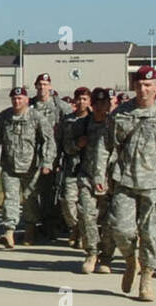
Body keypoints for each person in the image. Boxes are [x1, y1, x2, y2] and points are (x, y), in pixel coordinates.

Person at [97, 66, 156, 301]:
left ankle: (146, 278)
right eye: (139, 85)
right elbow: (105, 146)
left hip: (155, 186)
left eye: (148, 85)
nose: (143, 90)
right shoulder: (121, 114)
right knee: (120, 229)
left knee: (149, 234)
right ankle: (130, 261)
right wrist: (99, 175)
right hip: (125, 181)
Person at [0, 86, 54, 249]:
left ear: (26, 99)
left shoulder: (36, 117)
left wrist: (47, 162)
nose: (17, 102)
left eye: (20, 99)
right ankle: (9, 231)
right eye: (14, 99)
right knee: (10, 198)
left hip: (31, 167)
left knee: (30, 198)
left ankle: (30, 230)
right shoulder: (3, 118)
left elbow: (48, 140)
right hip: (9, 166)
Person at [76, 88, 116, 273]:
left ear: (109, 104)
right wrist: (77, 144)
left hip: (111, 179)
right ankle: (91, 252)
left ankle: (106, 257)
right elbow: (68, 148)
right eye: (97, 104)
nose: (100, 107)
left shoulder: (115, 126)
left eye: (104, 104)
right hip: (87, 176)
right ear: (92, 105)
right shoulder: (83, 124)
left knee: (109, 221)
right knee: (86, 215)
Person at [28, 74, 66, 240]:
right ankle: (32, 224)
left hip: (53, 156)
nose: (42, 87)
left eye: (45, 84)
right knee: (30, 192)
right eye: (40, 84)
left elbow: (70, 128)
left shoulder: (60, 107)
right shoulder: (29, 106)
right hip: (30, 156)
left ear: (50, 86)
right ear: (35, 86)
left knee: (49, 193)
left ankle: (49, 225)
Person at [58, 87, 91, 249]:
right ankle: (75, 227)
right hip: (72, 166)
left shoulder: (95, 119)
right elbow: (62, 143)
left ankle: (84, 233)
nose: (81, 102)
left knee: (87, 205)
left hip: (91, 168)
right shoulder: (67, 120)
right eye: (79, 99)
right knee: (67, 201)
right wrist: (76, 145)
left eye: (85, 99)